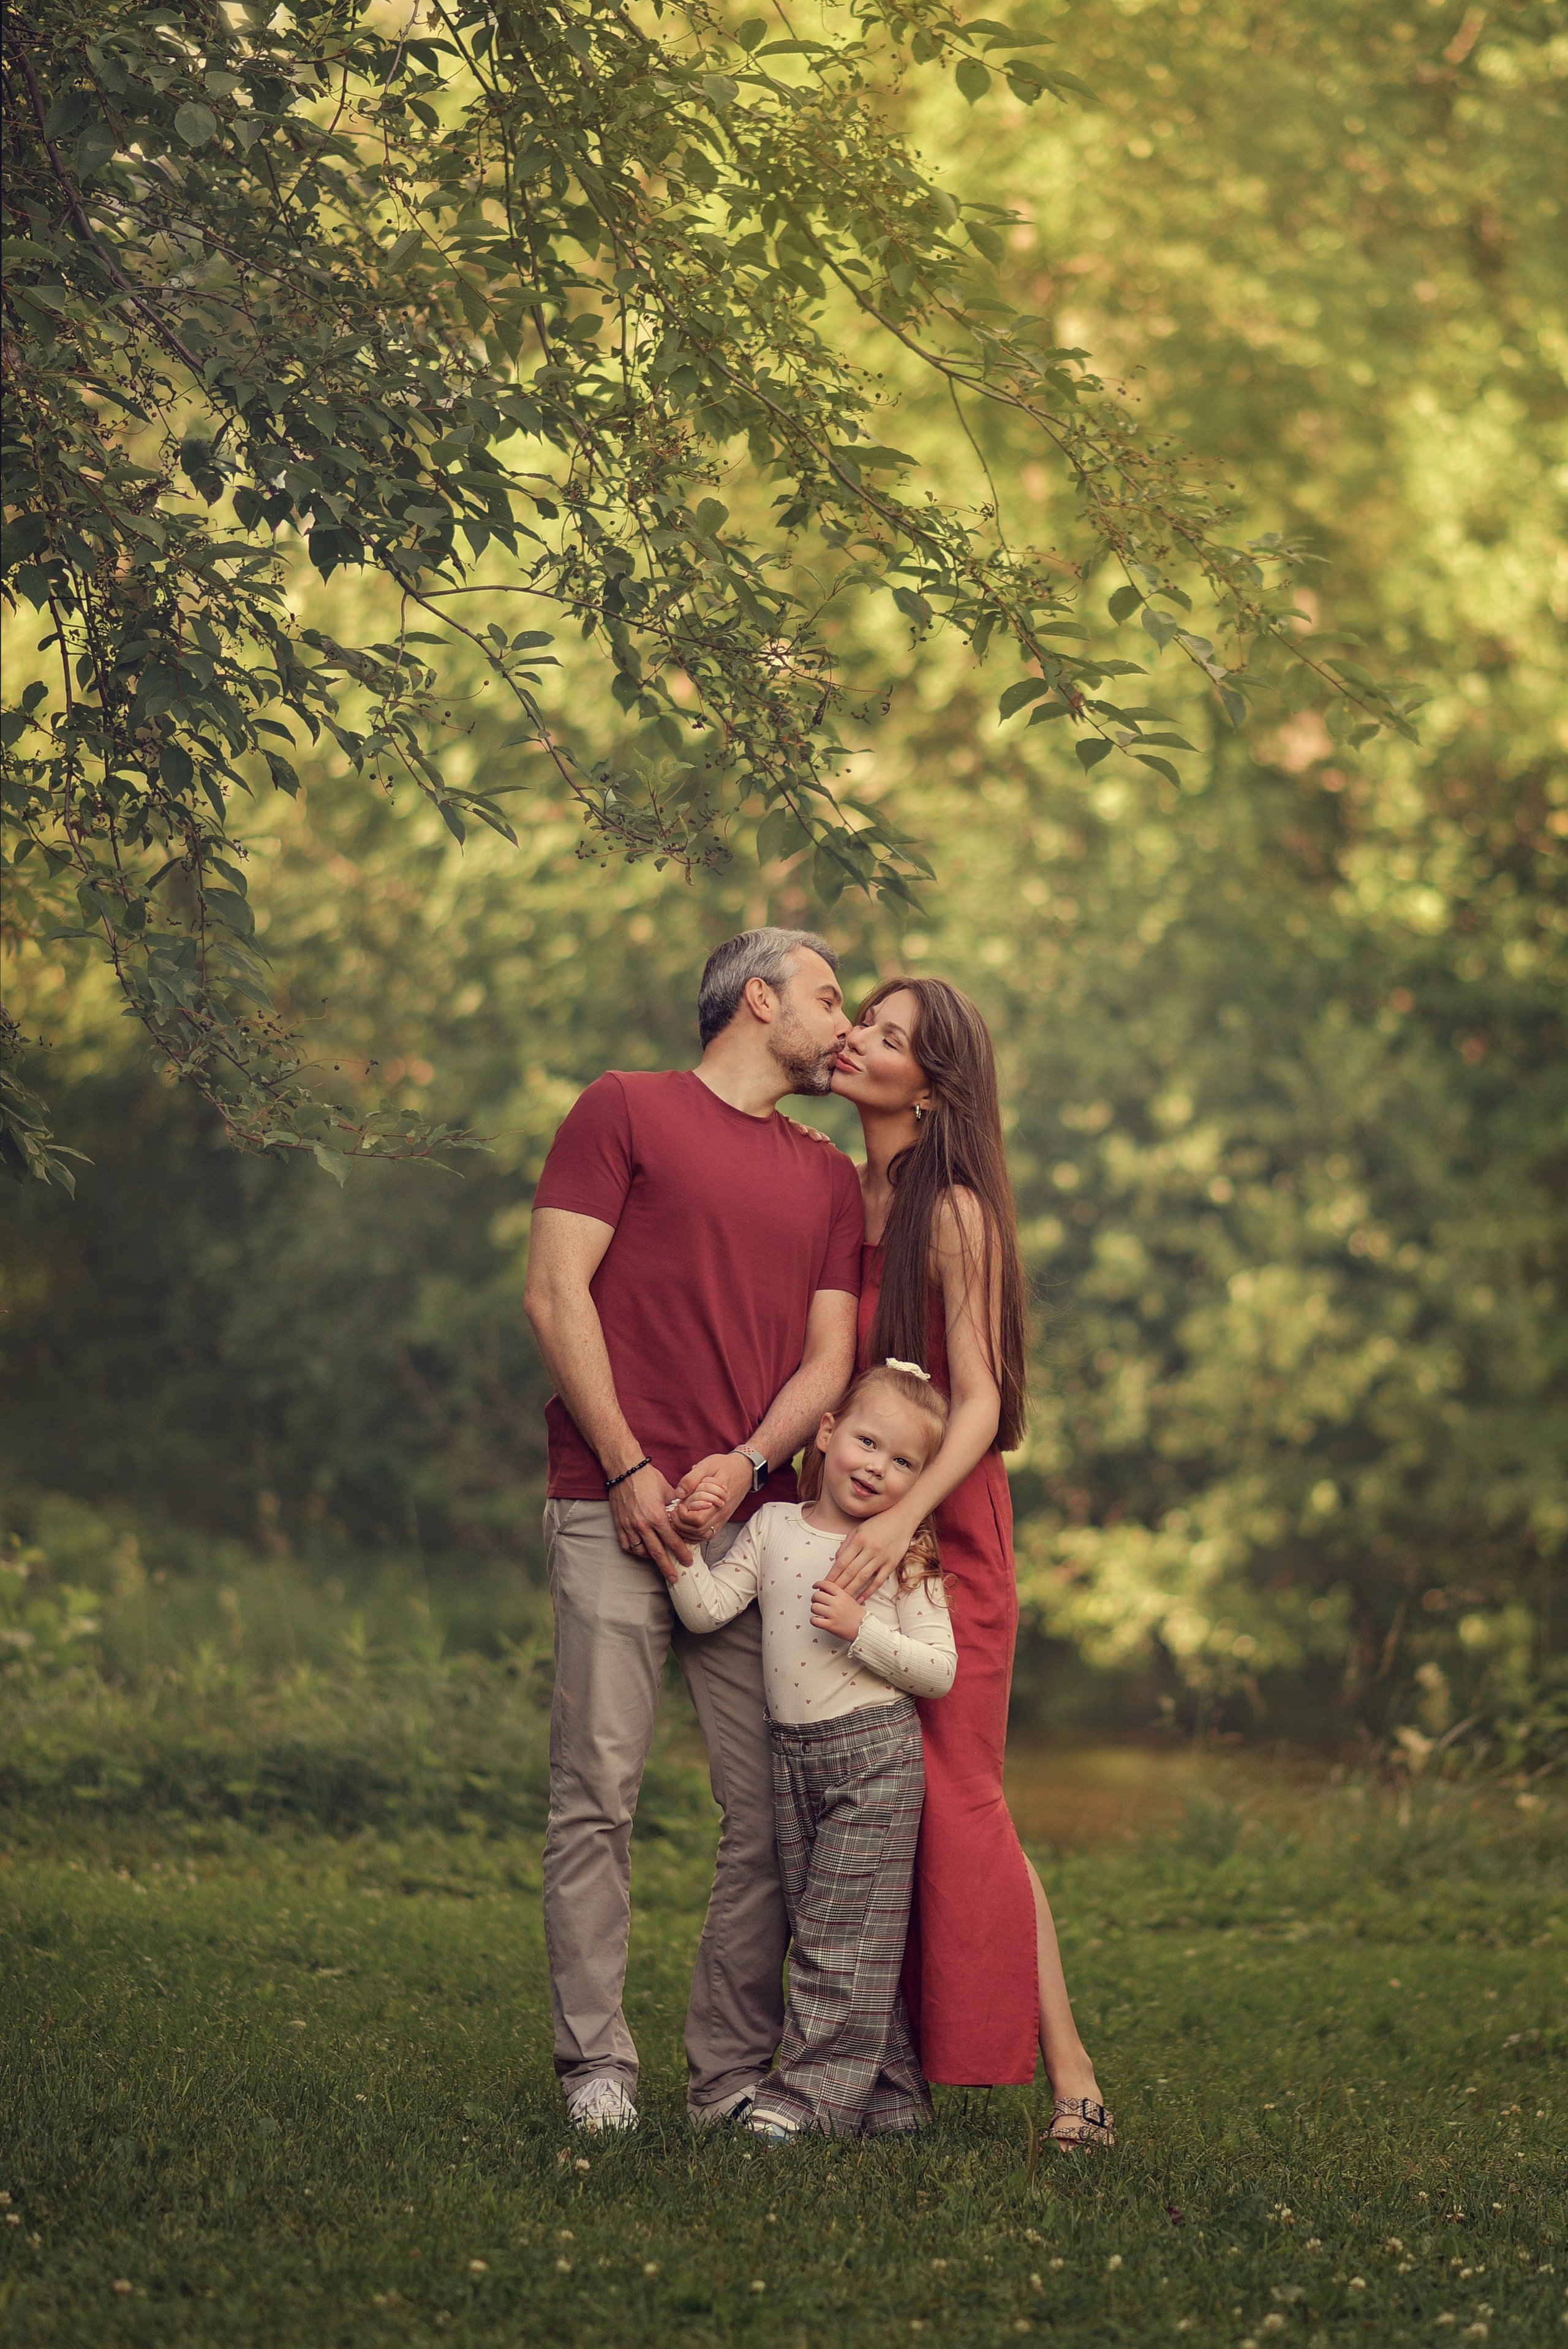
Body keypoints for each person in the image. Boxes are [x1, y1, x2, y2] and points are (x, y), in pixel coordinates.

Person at [522, 929, 864, 2133]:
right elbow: (554, 1291)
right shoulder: (622, 1110)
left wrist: (748, 1463)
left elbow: (831, 1360)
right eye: (830, 997)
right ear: (757, 997)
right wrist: (625, 1465)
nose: (845, 1023)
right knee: (597, 1794)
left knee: (768, 1816)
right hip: (605, 1502)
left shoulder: (829, 1177)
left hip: (755, 1533)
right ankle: (594, 2068)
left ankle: (724, 2076)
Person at [826, 976, 1115, 2151]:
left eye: (887, 1037)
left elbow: (983, 1402)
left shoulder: (951, 1211)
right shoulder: (842, 1193)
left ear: (933, 1085)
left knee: (961, 1796)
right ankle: (875, 2066)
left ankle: (1075, 2076)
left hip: (948, 1528)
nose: (856, 1040)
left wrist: (904, 1528)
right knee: (870, 1792)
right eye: (863, 1022)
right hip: (861, 1517)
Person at [663, 1360, 957, 2140]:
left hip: (873, 1760)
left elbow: (939, 1670)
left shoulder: (903, 1551)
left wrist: (864, 1633)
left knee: (838, 1934)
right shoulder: (771, 1529)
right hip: (793, 1758)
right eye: (867, 1441)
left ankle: (802, 2103)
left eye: (903, 1462)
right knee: (829, 1923)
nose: (876, 1467)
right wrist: (680, 1545)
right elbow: (706, 1611)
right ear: (826, 1434)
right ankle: (890, 2100)